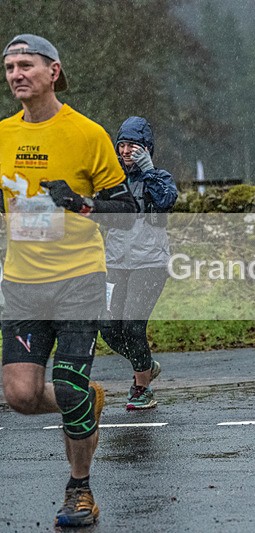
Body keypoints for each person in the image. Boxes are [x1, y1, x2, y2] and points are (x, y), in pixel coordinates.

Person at [0, 34, 137, 527]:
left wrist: (82, 204)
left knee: (68, 384)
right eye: (10, 66)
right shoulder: (2, 134)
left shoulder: (87, 133)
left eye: (26, 65)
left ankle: (80, 490)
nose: (16, 74)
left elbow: (127, 208)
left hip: (78, 278)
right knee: (19, 396)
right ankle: (87, 397)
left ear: (53, 71)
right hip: (21, 282)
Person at [100, 116, 177, 410]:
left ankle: (142, 388)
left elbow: (167, 201)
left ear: (146, 149)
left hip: (150, 264)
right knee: (107, 328)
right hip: (116, 263)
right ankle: (146, 363)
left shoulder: (160, 178)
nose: (127, 151)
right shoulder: (112, 181)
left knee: (132, 325)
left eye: (134, 146)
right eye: (122, 145)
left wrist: (149, 172)